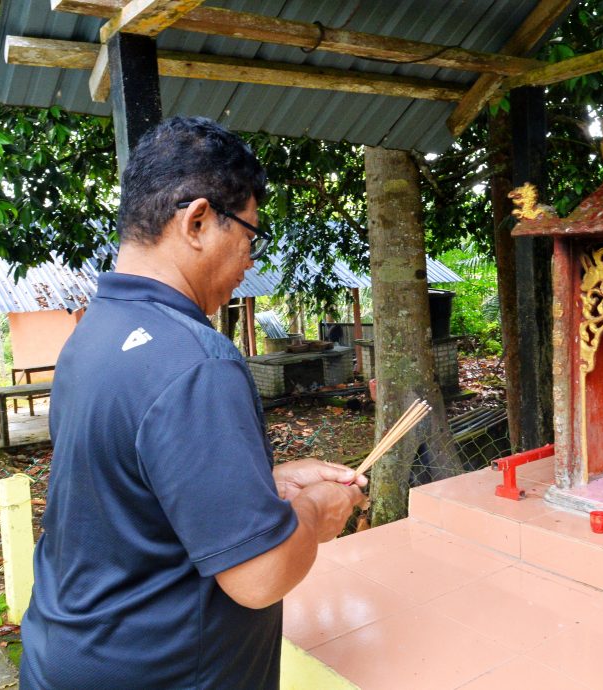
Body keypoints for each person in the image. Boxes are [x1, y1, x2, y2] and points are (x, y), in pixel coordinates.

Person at [20, 117, 367, 689]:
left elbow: (127, 492)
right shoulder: (197, 361)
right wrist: (315, 511)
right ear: (199, 221)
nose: (252, 258)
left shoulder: (93, 333)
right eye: (250, 235)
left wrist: (266, 483)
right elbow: (259, 576)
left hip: (65, 654)